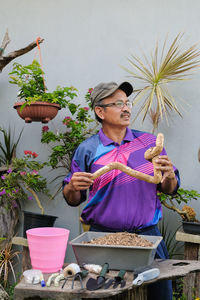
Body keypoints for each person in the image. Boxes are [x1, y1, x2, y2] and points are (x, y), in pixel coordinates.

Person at [63, 81, 180, 300]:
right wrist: (71, 186)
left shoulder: (149, 143)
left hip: (148, 238)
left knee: (160, 296)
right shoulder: (87, 149)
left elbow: (169, 188)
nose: (126, 108)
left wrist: (170, 177)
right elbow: (73, 199)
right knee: (103, 295)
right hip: (102, 239)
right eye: (118, 103)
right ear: (100, 111)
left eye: (127, 103)